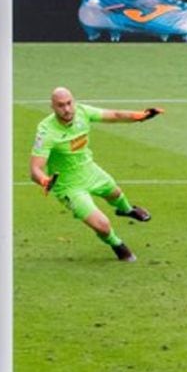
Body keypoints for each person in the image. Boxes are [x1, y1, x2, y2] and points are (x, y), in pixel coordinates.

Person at [30, 87, 162, 262]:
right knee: (103, 226)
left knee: (115, 193)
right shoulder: (46, 132)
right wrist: (44, 180)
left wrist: (140, 116)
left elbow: (114, 115)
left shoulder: (83, 112)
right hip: (70, 186)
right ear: (52, 107)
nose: (67, 109)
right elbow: (35, 170)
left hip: (90, 170)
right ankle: (118, 246)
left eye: (69, 103)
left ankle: (127, 210)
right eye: (61, 105)